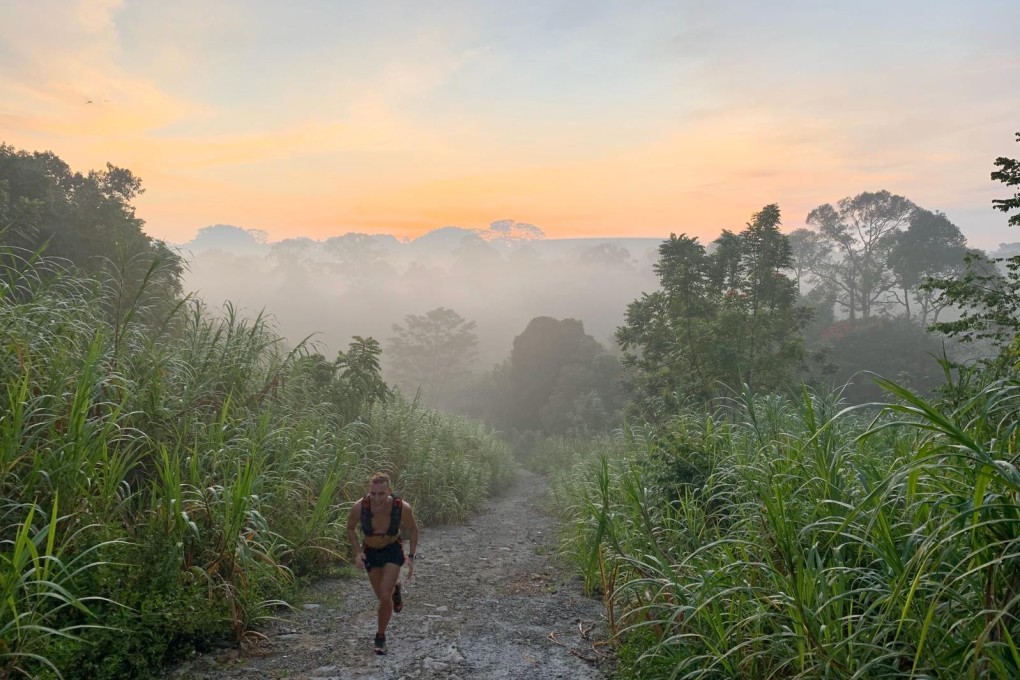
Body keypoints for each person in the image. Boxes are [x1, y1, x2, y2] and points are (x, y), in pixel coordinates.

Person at [346, 472, 418, 655]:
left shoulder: (401, 507)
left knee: (384, 595)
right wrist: (358, 552)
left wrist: (411, 557)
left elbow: (413, 529)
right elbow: (351, 528)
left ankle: (380, 636)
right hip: (371, 552)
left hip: (392, 550)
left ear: (389, 491)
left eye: (381, 493)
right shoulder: (360, 507)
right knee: (383, 596)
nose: (377, 498)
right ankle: (396, 590)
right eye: (373, 493)